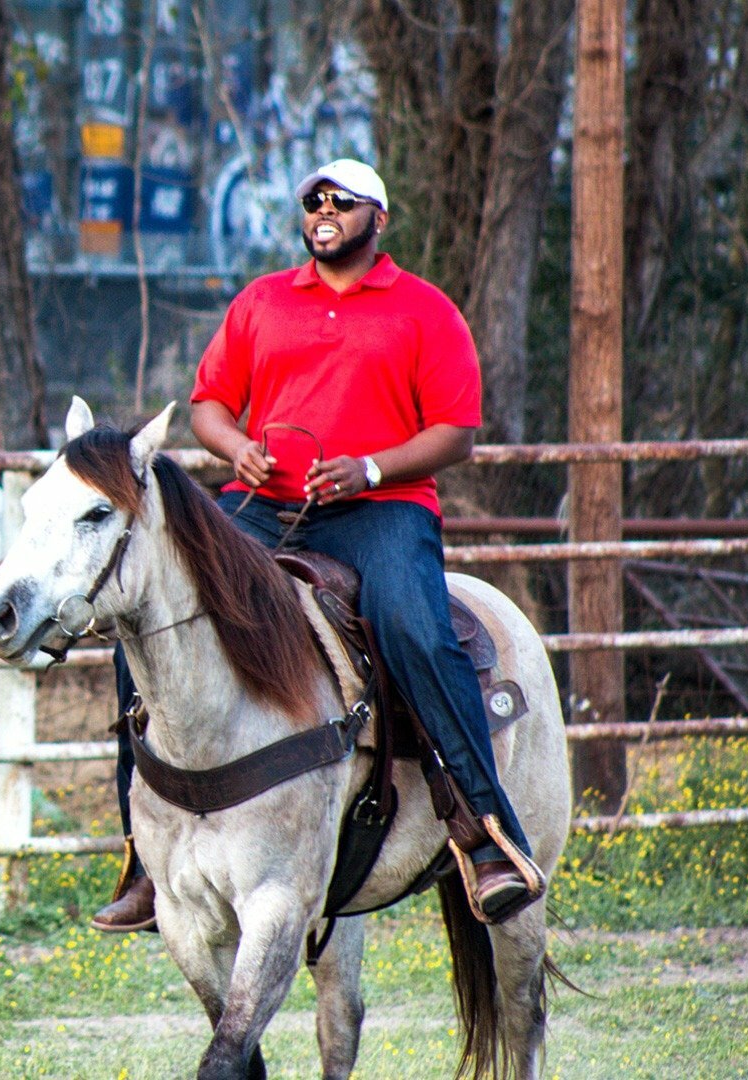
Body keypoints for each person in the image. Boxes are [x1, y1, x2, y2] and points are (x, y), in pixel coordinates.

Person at [90, 159, 546, 933]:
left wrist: (369, 467)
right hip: (266, 506)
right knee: (142, 617)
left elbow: (457, 434)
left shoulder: (424, 310)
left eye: (342, 200)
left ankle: (484, 829)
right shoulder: (262, 301)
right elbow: (208, 405)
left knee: (414, 628)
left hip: (383, 510)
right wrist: (237, 450)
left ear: (379, 220)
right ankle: (143, 853)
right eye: (313, 200)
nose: (324, 210)